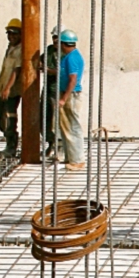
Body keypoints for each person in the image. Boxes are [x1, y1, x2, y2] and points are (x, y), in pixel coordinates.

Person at [57, 29, 85, 171]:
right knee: (66, 127)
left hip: (71, 95)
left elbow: (73, 79)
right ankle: (70, 158)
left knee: (73, 127)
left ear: (63, 43)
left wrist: (63, 98)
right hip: (68, 94)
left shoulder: (72, 58)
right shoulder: (70, 56)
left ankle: (77, 160)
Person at [0, 19, 23, 158]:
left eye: (15, 33)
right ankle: (9, 142)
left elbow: (16, 71)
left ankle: (11, 147)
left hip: (11, 92)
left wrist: (8, 88)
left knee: (9, 119)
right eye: (9, 33)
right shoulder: (11, 47)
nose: (11, 36)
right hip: (2, 89)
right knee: (0, 120)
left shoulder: (21, 50)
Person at [35, 27, 61, 160]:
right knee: (45, 118)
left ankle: (59, 147)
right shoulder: (50, 50)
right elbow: (40, 60)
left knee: (57, 119)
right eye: (54, 37)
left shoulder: (66, 53)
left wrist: (48, 70)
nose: (56, 40)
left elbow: (62, 71)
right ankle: (50, 144)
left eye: (58, 37)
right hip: (48, 89)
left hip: (59, 90)